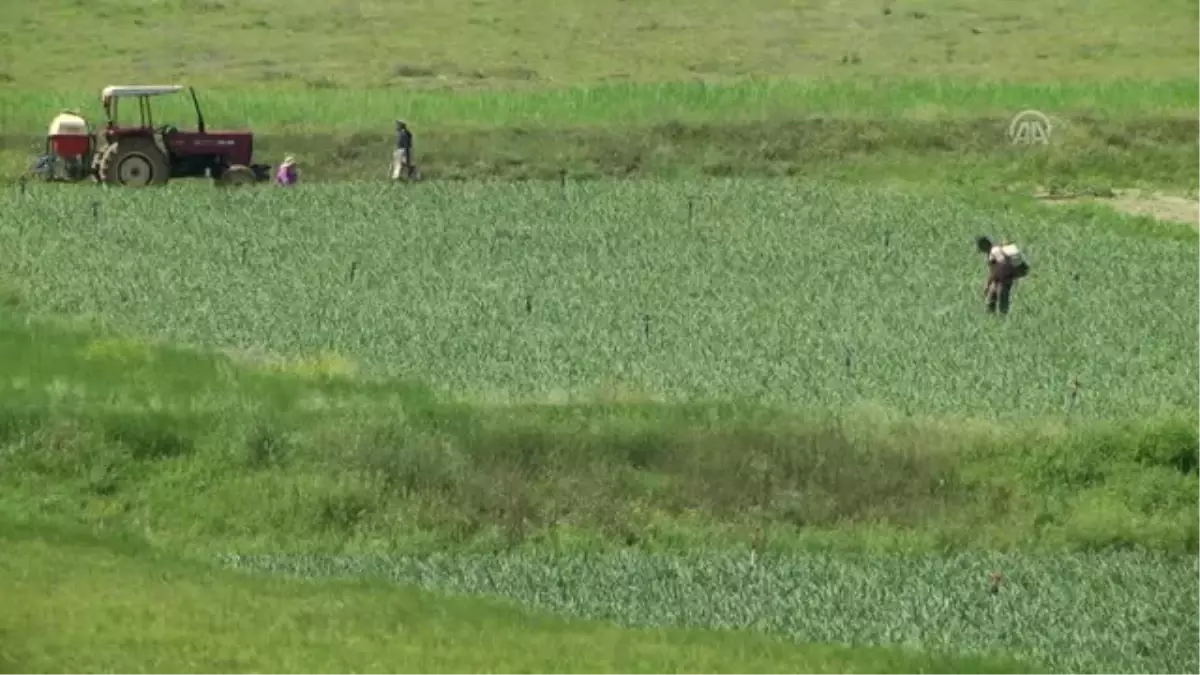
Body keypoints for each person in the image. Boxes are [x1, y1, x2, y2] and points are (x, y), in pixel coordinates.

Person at [976, 236, 1029, 315]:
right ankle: (993, 317)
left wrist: (989, 284)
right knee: (993, 296)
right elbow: (994, 270)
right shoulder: (995, 250)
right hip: (1002, 276)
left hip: (1004, 276)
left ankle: (1001, 317)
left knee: (1001, 296)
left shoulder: (994, 252)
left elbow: (1002, 265)